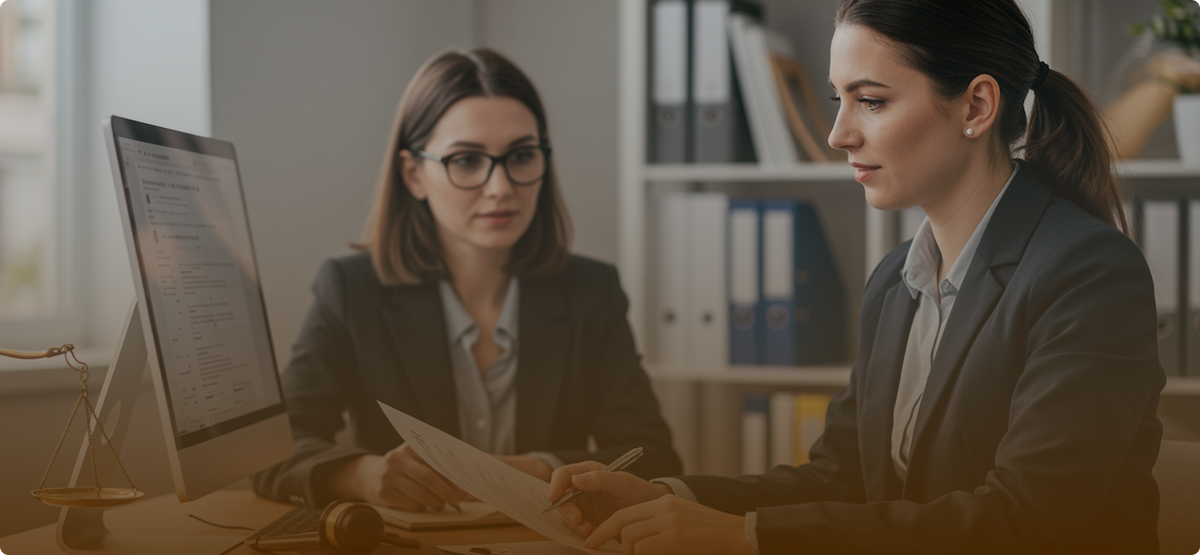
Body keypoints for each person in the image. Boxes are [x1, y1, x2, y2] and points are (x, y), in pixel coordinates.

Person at [547, 0, 1164, 553]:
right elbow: (839, 478)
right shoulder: (896, 280)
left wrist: (745, 537)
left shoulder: (1088, 272)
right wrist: (668, 494)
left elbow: (1026, 519)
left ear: (976, 105)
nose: (838, 134)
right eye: (838, 98)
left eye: (871, 101)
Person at [252, 48, 681, 512]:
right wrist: (361, 475)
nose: (500, 187)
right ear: (414, 174)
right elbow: (269, 452)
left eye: (521, 155)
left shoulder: (591, 291)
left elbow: (651, 456)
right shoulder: (351, 290)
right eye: (466, 161)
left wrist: (538, 470)